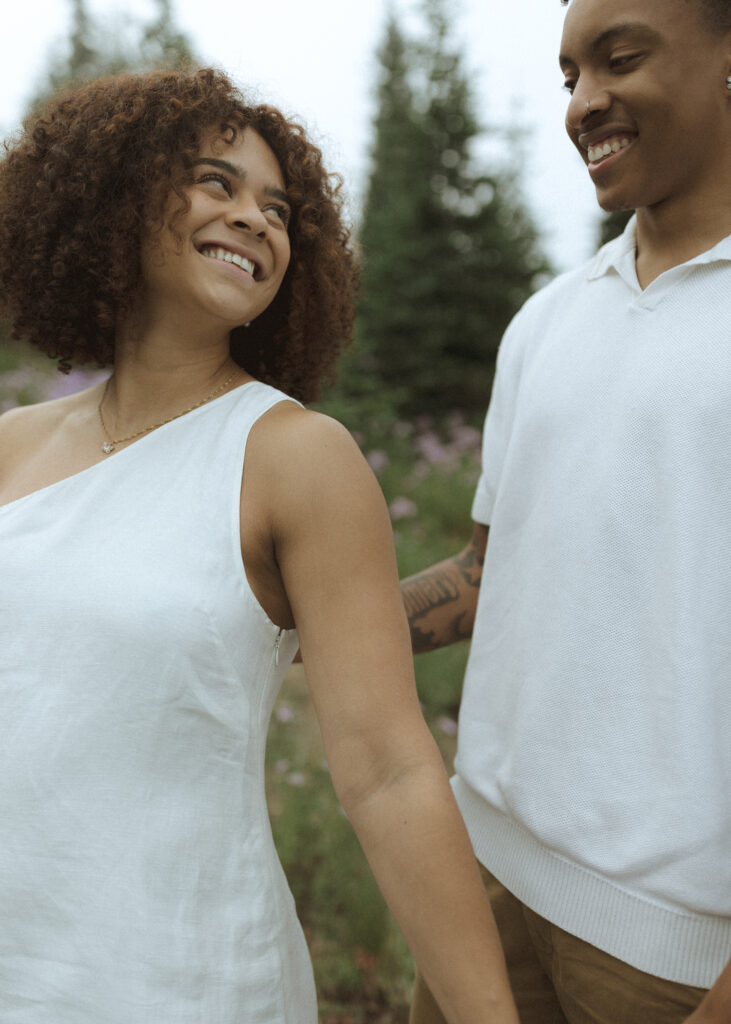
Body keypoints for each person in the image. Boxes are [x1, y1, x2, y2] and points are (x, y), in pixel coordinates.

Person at [0, 68, 520, 1023]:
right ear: (114, 199)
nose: (255, 219)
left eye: (279, 209)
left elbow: (389, 768)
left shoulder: (295, 458)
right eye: (217, 182)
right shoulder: (12, 443)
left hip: (176, 978)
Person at [403, 0, 731, 1021]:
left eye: (618, 59)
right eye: (566, 77)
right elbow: (486, 574)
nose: (583, 103)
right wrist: (272, 619)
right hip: (481, 886)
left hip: (665, 953)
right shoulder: (544, 320)